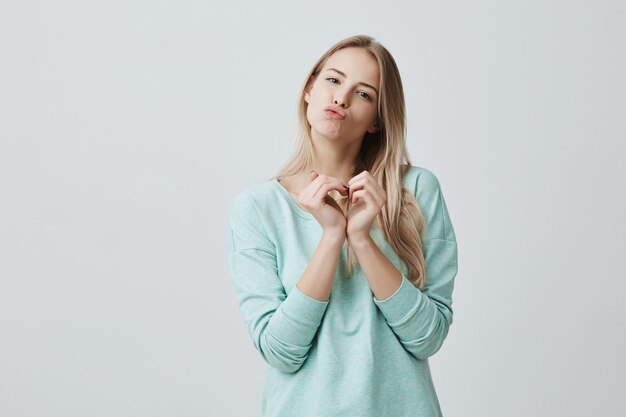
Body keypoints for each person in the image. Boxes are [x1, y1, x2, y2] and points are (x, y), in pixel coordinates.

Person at [227, 34, 458, 417]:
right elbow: (280, 351)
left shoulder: (415, 191)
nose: (341, 98)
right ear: (309, 89)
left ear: (377, 120)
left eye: (364, 94)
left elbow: (427, 337)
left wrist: (362, 240)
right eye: (333, 80)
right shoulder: (258, 208)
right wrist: (332, 237)